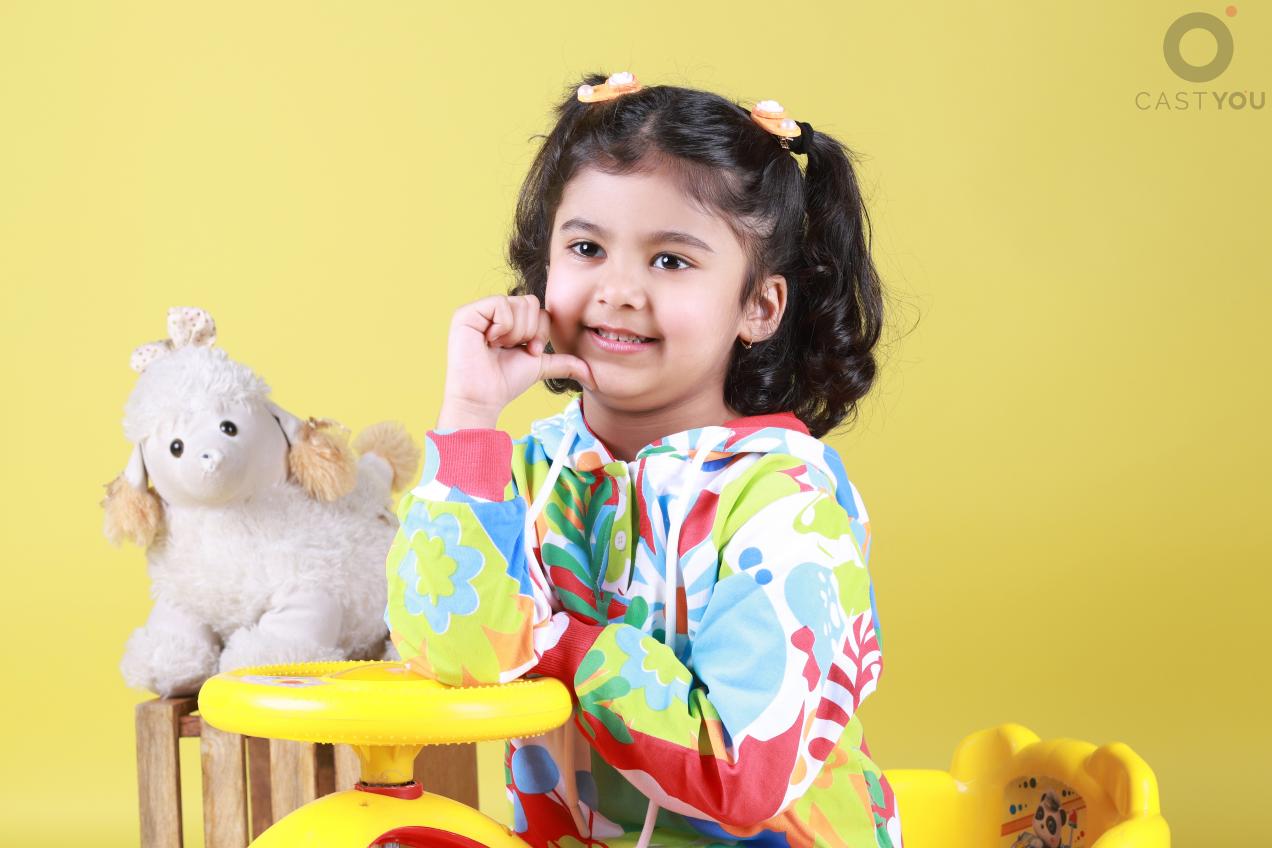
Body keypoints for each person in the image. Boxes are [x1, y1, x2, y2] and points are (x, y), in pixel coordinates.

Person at [384, 71, 902, 848]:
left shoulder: (785, 502)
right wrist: (469, 415)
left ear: (758, 306)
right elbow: (445, 654)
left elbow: (740, 772)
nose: (619, 289)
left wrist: (555, 644)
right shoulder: (525, 471)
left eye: (671, 261)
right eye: (586, 248)